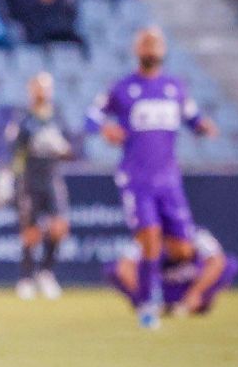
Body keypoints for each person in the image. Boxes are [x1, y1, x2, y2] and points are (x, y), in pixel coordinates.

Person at [85, 27, 217, 329]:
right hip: (137, 178)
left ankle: (178, 294)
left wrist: (203, 127)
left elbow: (193, 117)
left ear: (164, 50)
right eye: (146, 42)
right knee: (150, 241)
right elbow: (91, 115)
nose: (151, 47)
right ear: (137, 49)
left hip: (169, 180)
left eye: (156, 43)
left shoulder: (175, 87)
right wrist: (104, 129)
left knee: (182, 248)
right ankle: (148, 306)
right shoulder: (122, 88)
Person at [4, 73, 74, 300]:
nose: (42, 92)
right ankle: (25, 278)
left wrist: (62, 149)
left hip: (52, 178)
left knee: (59, 226)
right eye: (38, 88)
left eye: (46, 88)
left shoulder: (57, 117)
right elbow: (14, 150)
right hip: (29, 180)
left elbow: (70, 150)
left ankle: (46, 272)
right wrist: (10, 178)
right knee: (30, 231)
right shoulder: (24, 119)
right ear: (31, 90)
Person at [105, 226, 238, 318]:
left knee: (230, 264)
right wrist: (144, 297)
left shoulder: (197, 234)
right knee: (112, 269)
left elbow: (217, 262)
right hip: (159, 289)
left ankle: (197, 304)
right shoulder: (148, 235)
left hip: (189, 286)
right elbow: (123, 268)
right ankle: (147, 306)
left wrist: (195, 293)